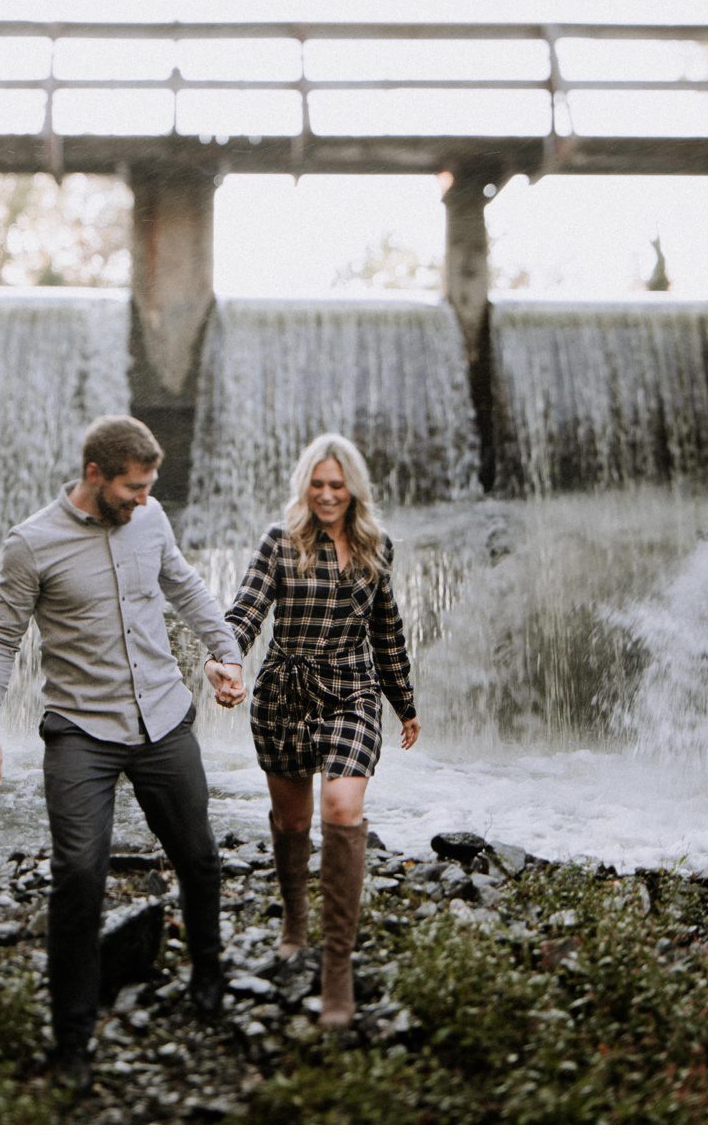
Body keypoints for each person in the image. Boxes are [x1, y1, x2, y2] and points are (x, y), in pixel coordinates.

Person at [0, 414, 246, 1088]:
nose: (143, 500)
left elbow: (184, 585)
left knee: (200, 858)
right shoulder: (32, 543)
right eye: (132, 488)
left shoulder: (150, 519)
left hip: (163, 720)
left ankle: (208, 978)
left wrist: (227, 652)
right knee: (78, 877)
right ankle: (72, 1042)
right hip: (81, 732)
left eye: (150, 487)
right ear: (95, 474)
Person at [223, 432, 420, 1029]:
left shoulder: (376, 547)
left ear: (353, 489)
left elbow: (386, 629)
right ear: (305, 486)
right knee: (292, 822)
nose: (328, 494)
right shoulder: (280, 542)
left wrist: (403, 702)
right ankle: (295, 919)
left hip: (352, 690)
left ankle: (338, 967)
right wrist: (224, 658)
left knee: (341, 806)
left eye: (337, 485)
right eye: (318, 484)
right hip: (284, 693)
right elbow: (246, 610)